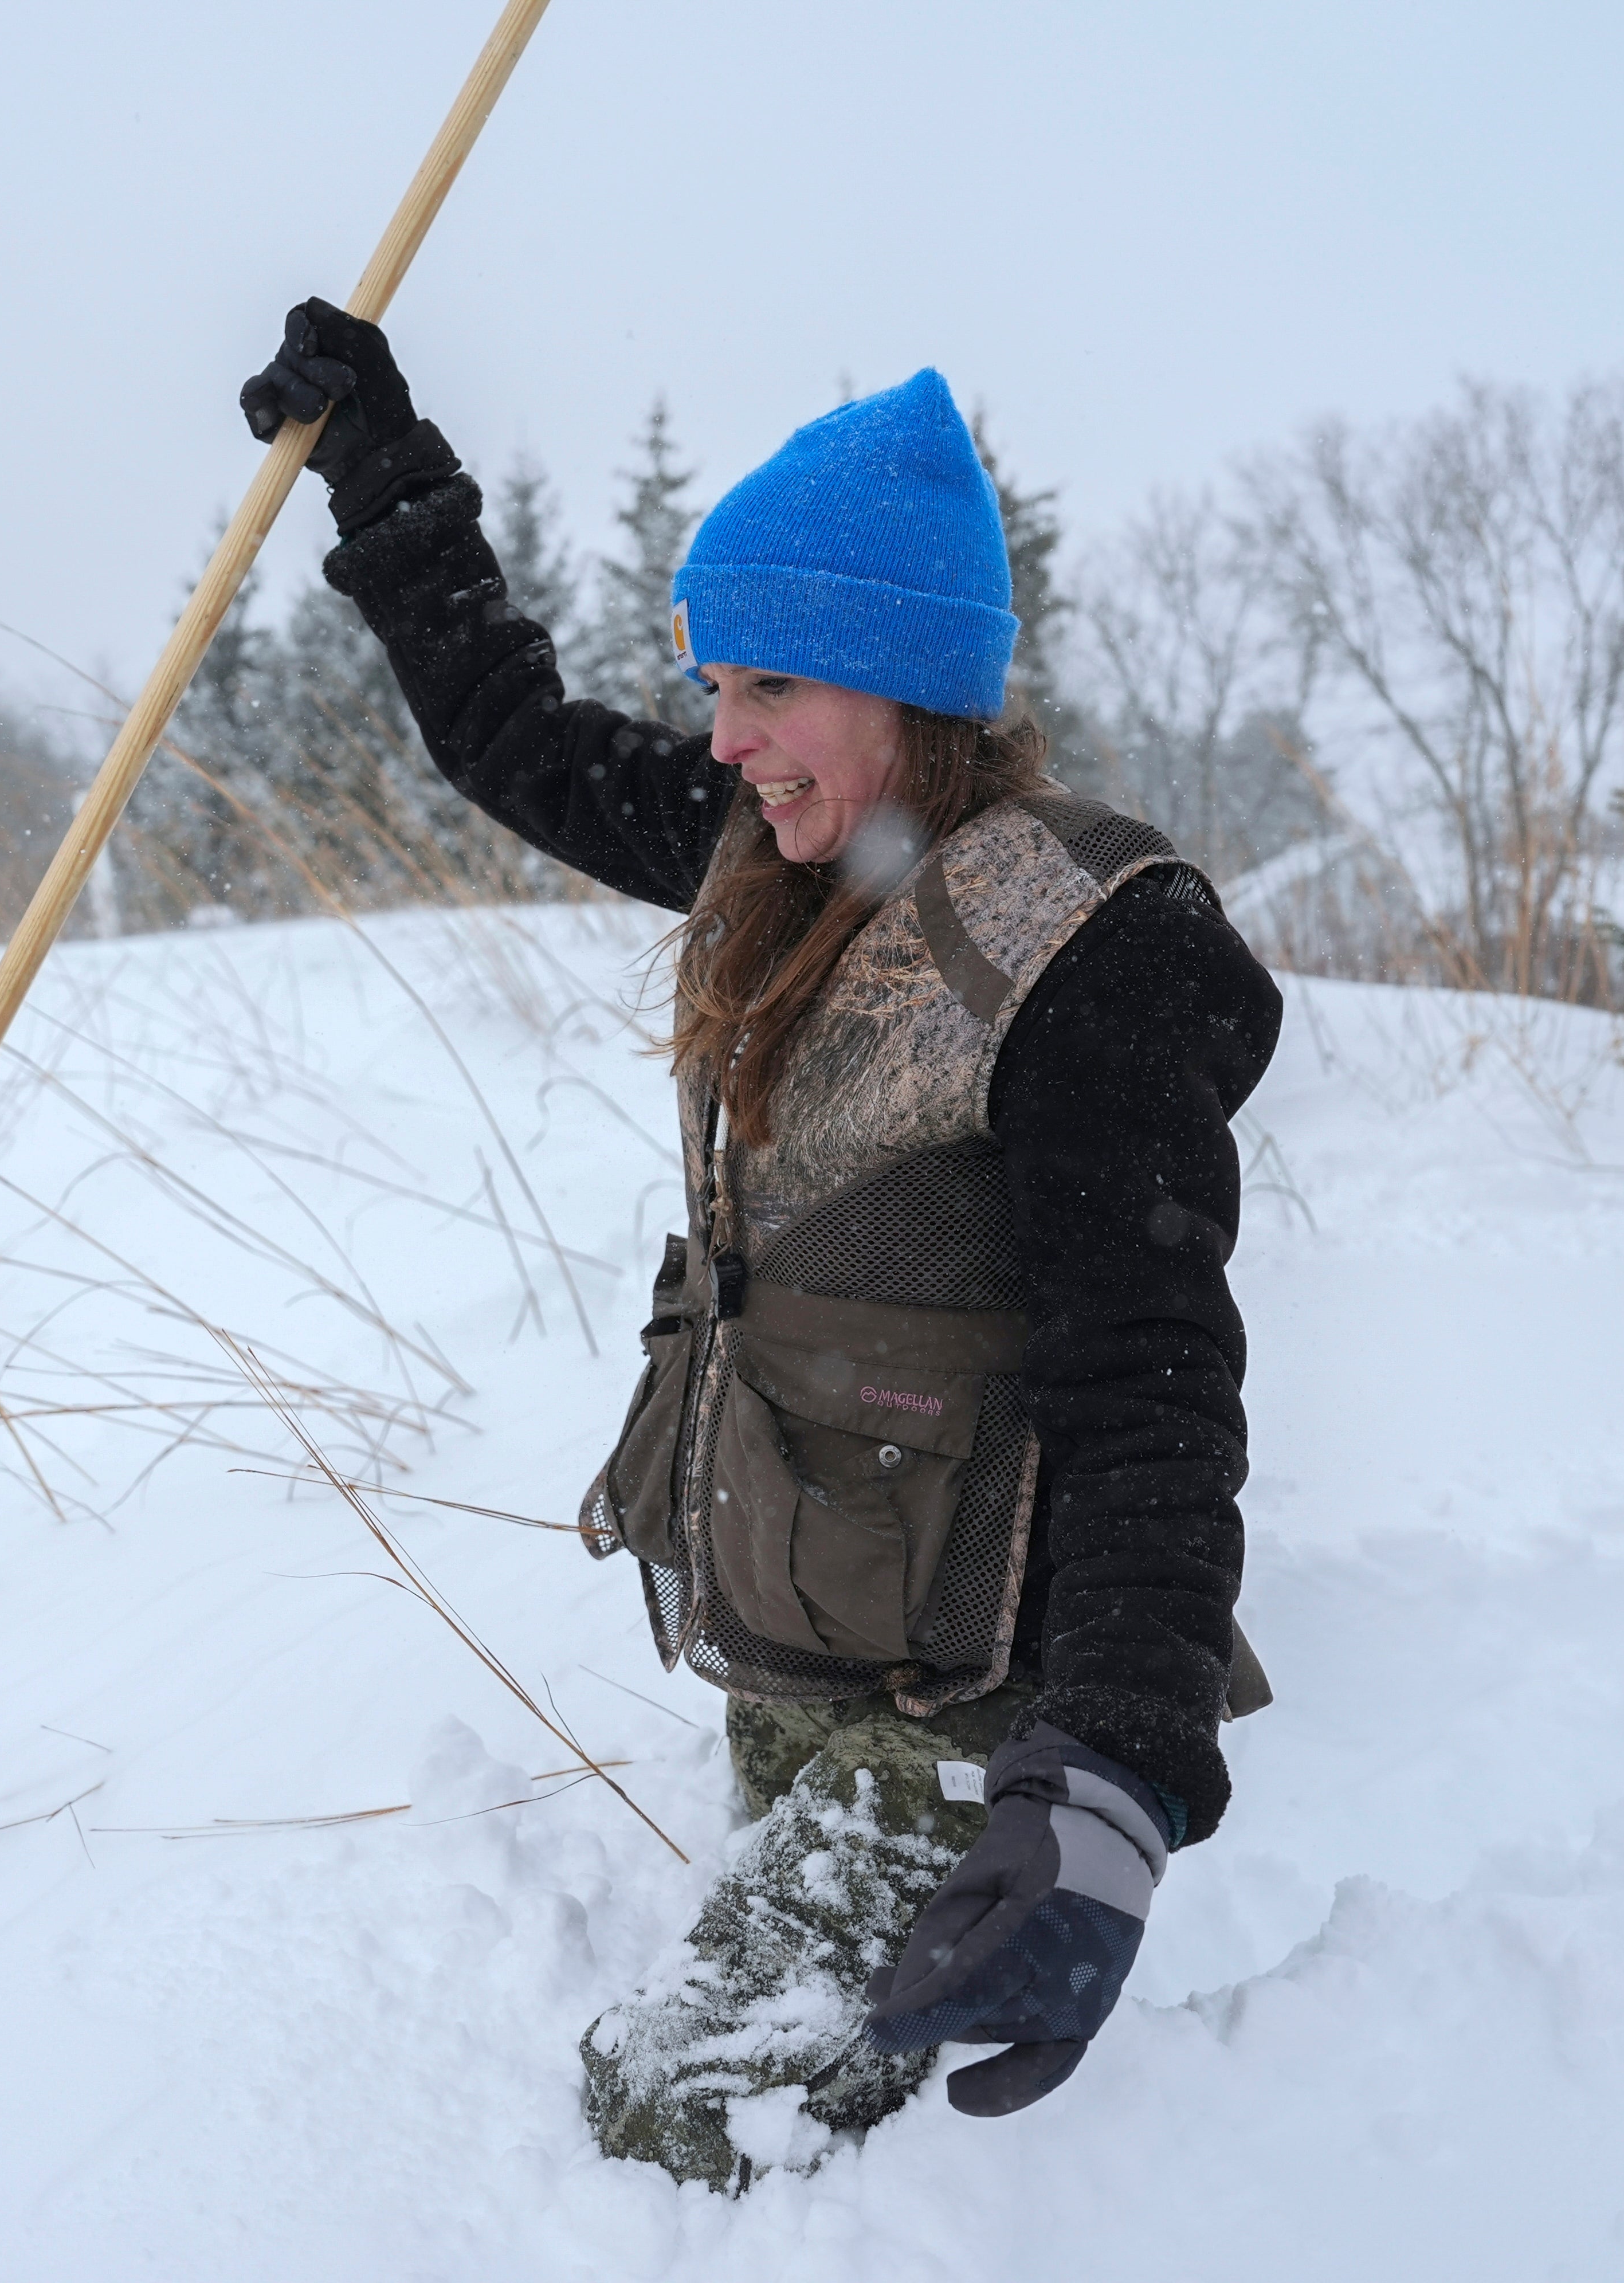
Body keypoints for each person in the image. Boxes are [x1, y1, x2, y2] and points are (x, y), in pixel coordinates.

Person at [242, 303, 1280, 2188]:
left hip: (976, 1707)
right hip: (805, 1649)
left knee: (687, 2125)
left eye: (771, 689)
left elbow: (1154, 1388)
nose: (727, 741)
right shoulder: (780, 852)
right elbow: (514, 739)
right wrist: (384, 474)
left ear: (905, 681)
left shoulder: (1083, 954)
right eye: (716, 687)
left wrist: (1109, 1788)